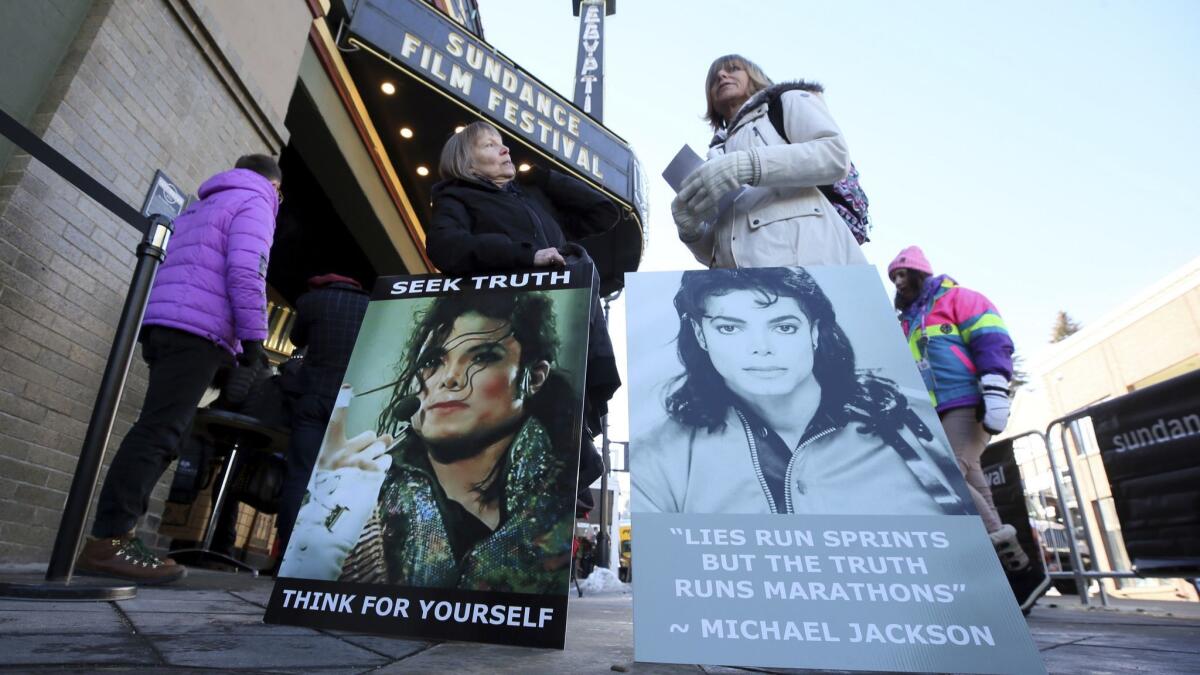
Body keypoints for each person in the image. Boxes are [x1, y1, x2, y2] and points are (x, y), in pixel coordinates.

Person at [278, 293, 580, 593]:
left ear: (535, 377)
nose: (449, 378)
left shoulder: (556, 506)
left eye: (483, 357)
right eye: (434, 360)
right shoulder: (356, 496)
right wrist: (322, 528)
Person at [77, 154, 283, 584]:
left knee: (161, 431)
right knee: (160, 433)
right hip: (197, 332)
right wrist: (254, 344)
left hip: (165, 326)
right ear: (275, 185)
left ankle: (118, 536)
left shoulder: (201, 204)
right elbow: (247, 272)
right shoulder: (257, 202)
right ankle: (109, 542)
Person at [633, 267, 969, 516]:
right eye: (730, 328)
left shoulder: (912, 419)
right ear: (701, 334)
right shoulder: (656, 459)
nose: (760, 348)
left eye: (783, 327)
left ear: (814, 331)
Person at [425, 120, 620, 508]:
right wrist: (524, 257)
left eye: (505, 144)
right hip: (509, 326)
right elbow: (447, 247)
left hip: (563, 318)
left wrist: (546, 177)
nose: (505, 149)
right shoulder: (456, 198)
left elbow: (604, 213)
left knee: (565, 429)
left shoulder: (532, 197)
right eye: (490, 145)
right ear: (466, 160)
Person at [889, 245, 1050, 609]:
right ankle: (1016, 573)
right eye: (893, 278)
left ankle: (1020, 574)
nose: (899, 283)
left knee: (944, 475)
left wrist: (995, 388)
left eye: (903, 274)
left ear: (920, 273)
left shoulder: (960, 299)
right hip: (931, 411)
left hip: (966, 401)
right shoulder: (905, 322)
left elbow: (992, 339)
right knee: (975, 486)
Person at [671, 54, 868, 269]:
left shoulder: (786, 102)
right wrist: (692, 232)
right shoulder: (714, 155)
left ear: (754, 77)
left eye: (733, 68)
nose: (721, 75)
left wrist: (745, 166)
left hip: (813, 271)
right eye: (713, 79)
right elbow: (715, 251)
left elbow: (834, 155)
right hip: (747, 290)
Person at [274, 273, 370, 555]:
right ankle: (328, 557)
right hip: (350, 402)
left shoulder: (311, 302)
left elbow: (296, 339)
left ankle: (287, 554)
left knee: (300, 475)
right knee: (344, 479)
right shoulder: (370, 306)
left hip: (314, 398)